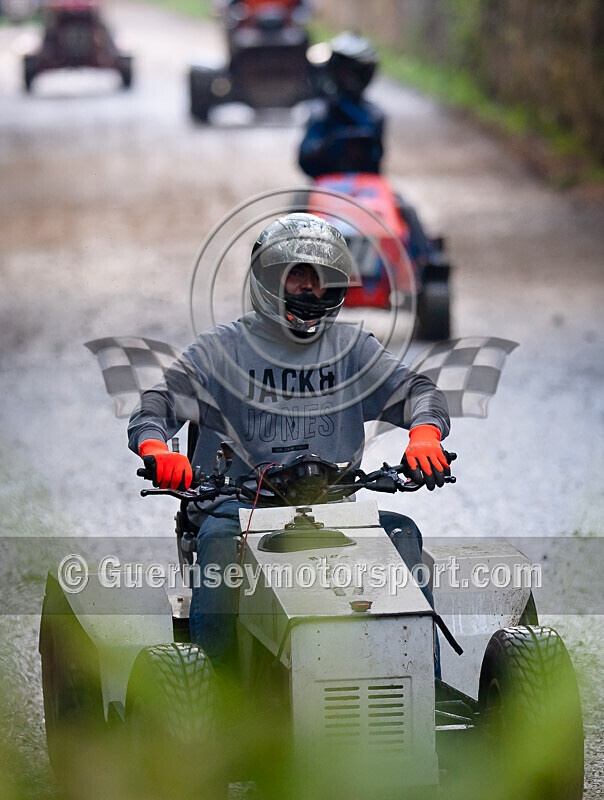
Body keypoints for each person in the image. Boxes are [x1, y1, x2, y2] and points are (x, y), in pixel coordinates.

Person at [128, 213, 450, 665]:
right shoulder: (223, 350)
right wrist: (158, 449)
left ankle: (424, 693)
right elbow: (154, 407)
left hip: (333, 508)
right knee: (221, 548)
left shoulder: (351, 348)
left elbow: (420, 393)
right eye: (298, 275)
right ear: (269, 279)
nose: (309, 290)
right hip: (237, 512)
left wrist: (425, 436)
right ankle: (212, 698)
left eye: (320, 280)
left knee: (401, 532)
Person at [299, 32, 441, 267]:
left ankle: (427, 262)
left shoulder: (372, 115)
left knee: (405, 209)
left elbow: (375, 155)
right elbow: (304, 159)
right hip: (325, 188)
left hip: (368, 190)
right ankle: (285, 266)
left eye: (354, 73)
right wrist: (326, 145)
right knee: (295, 212)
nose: (349, 79)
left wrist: (341, 107)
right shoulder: (320, 114)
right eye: (345, 72)